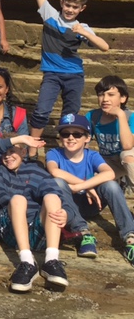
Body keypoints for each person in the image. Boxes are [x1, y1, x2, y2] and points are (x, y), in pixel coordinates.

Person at [20, 0, 109, 158]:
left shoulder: (81, 26)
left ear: (82, 9)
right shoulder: (49, 16)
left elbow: (104, 47)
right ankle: (32, 151)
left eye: (75, 7)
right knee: (42, 110)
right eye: (67, 5)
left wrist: (84, 33)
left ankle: (66, 151)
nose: (70, 10)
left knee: (70, 115)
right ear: (61, 3)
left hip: (74, 75)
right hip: (51, 74)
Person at [46, 114, 134, 266]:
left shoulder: (92, 155)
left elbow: (110, 173)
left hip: (92, 203)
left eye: (77, 134)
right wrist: (87, 186)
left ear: (87, 138)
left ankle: (130, 236)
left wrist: (81, 187)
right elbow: (55, 171)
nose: (71, 138)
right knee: (58, 183)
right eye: (65, 134)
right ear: (60, 137)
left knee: (111, 185)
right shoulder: (54, 154)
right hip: (67, 206)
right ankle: (83, 233)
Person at [0, 135, 69, 291]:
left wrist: (66, 213)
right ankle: (27, 262)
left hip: (37, 232)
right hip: (9, 227)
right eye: (5, 153)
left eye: (12, 151)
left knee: (52, 197)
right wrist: (20, 138)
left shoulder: (35, 170)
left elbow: (57, 193)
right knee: (18, 199)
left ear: (23, 152)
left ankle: (51, 260)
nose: (8, 156)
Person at [86, 75, 134, 188]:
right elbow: (83, 143)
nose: (105, 99)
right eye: (101, 95)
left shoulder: (130, 117)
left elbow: (127, 145)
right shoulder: (93, 116)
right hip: (108, 162)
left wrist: (120, 115)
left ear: (123, 98)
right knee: (96, 181)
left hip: (128, 160)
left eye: (111, 95)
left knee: (127, 155)